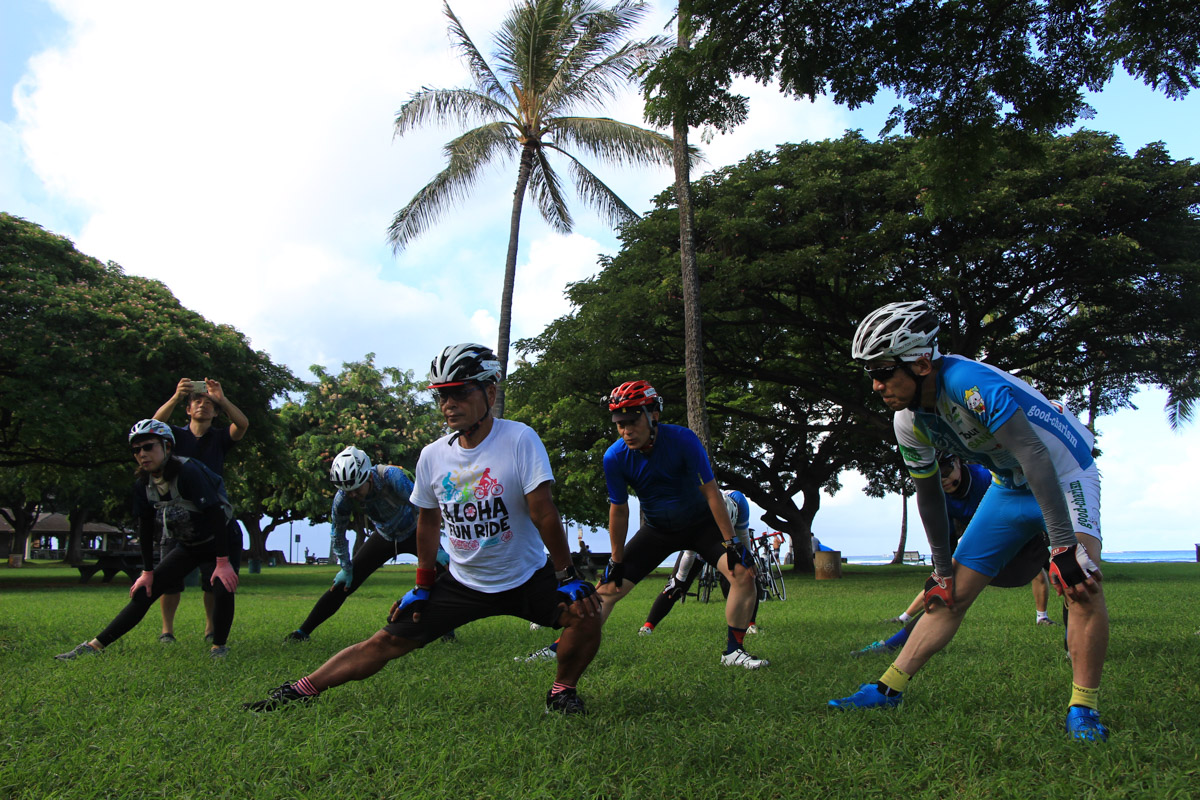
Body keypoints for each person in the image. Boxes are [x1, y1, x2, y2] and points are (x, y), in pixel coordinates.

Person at [243, 343, 602, 714]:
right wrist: (422, 585)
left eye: (460, 393)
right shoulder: (433, 455)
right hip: (463, 582)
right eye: (442, 396)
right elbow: (428, 522)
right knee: (384, 642)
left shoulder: (519, 439)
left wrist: (566, 575)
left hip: (525, 575)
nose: (449, 404)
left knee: (586, 615)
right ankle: (296, 692)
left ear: (490, 393)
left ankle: (561, 692)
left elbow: (543, 511)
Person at [829, 301, 1109, 743]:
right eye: (872, 375)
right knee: (948, 593)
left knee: (1080, 582)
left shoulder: (968, 383)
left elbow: (1034, 454)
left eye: (884, 371)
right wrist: (941, 569)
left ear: (922, 362)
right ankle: (886, 690)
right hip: (1008, 487)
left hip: (1063, 474)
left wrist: (1061, 546)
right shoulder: (907, 422)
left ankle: (1084, 708)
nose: (878, 385)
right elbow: (929, 494)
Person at [595, 380, 768, 669]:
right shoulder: (614, 457)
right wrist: (616, 558)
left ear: (654, 415)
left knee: (742, 574)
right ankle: (563, 647)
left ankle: (733, 652)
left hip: (701, 525)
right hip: (657, 530)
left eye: (633, 421)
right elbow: (619, 509)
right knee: (608, 589)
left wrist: (731, 543)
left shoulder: (684, 440)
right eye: (619, 423)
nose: (626, 431)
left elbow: (712, 493)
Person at [55, 420, 240, 660]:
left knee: (222, 587)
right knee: (145, 592)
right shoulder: (143, 484)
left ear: (167, 447)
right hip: (189, 545)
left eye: (149, 447)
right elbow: (144, 526)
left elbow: (215, 513)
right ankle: (94, 646)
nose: (142, 454)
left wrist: (223, 561)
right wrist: (147, 572)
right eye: (136, 450)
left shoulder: (188, 472)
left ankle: (219, 647)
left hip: (222, 538)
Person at [855, 452, 1057, 656]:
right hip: (990, 539)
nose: (942, 480)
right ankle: (892, 644)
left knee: (1073, 578)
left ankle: (1061, 636)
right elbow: (945, 541)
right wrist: (943, 574)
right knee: (945, 592)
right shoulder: (938, 496)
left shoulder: (986, 478)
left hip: (1031, 530)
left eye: (945, 471)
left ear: (958, 462)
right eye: (933, 476)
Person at [284, 446, 452, 642]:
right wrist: (346, 568)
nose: (352, 495)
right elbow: (337, 532)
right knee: (343, 584)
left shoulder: (392, 477)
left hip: (414, 530)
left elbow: (424, 508)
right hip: (384, 535)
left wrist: (436, 549)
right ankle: (303, 632)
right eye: (347, 492)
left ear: (368, 478)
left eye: (356, 490)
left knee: (445, 575)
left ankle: (447, 630)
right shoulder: (343, 497)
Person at [151, 377, 249, 645]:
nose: (202, 406)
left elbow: (242, 424)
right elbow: (154, 427)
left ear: (215, 412)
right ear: (188, 408)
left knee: (212, 580)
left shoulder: (219, 438)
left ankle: (210, 629)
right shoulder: (175, 437)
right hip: (176, 517)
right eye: (197, 401)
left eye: (208, 404)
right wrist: (175, 396)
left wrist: (222, 398)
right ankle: (167, 630)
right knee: (169, 579)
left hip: (212, 518)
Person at [638, 489, 761, 636]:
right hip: (698, 538)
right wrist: (680, 580)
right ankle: (648, 626)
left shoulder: (739, 502)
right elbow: (689, 555)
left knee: (748, 573)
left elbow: (744, 538)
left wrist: (748, 561)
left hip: (728, 538)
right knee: (676, 584)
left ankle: (750, 624)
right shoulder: (695, 511)